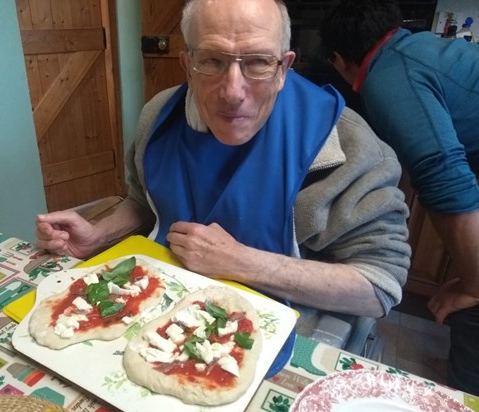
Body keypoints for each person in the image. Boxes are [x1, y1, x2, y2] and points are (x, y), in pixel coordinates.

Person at [36, 0, 410, 322]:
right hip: (160, 313)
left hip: (282, 328)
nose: (233, 92)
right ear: (187, 64)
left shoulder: (344, 144)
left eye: (259, 62)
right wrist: (98, 235)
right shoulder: (158, 118)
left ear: (284, 68)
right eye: (212, 61)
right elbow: (146, 204)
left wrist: (243, 262)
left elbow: (380, 285)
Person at [320, 0, 479, 396]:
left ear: (340, 60)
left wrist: (474, 285)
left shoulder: (389, 76)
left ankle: (459, 396)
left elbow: (447, 182)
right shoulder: (423, 47)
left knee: (474, 309)